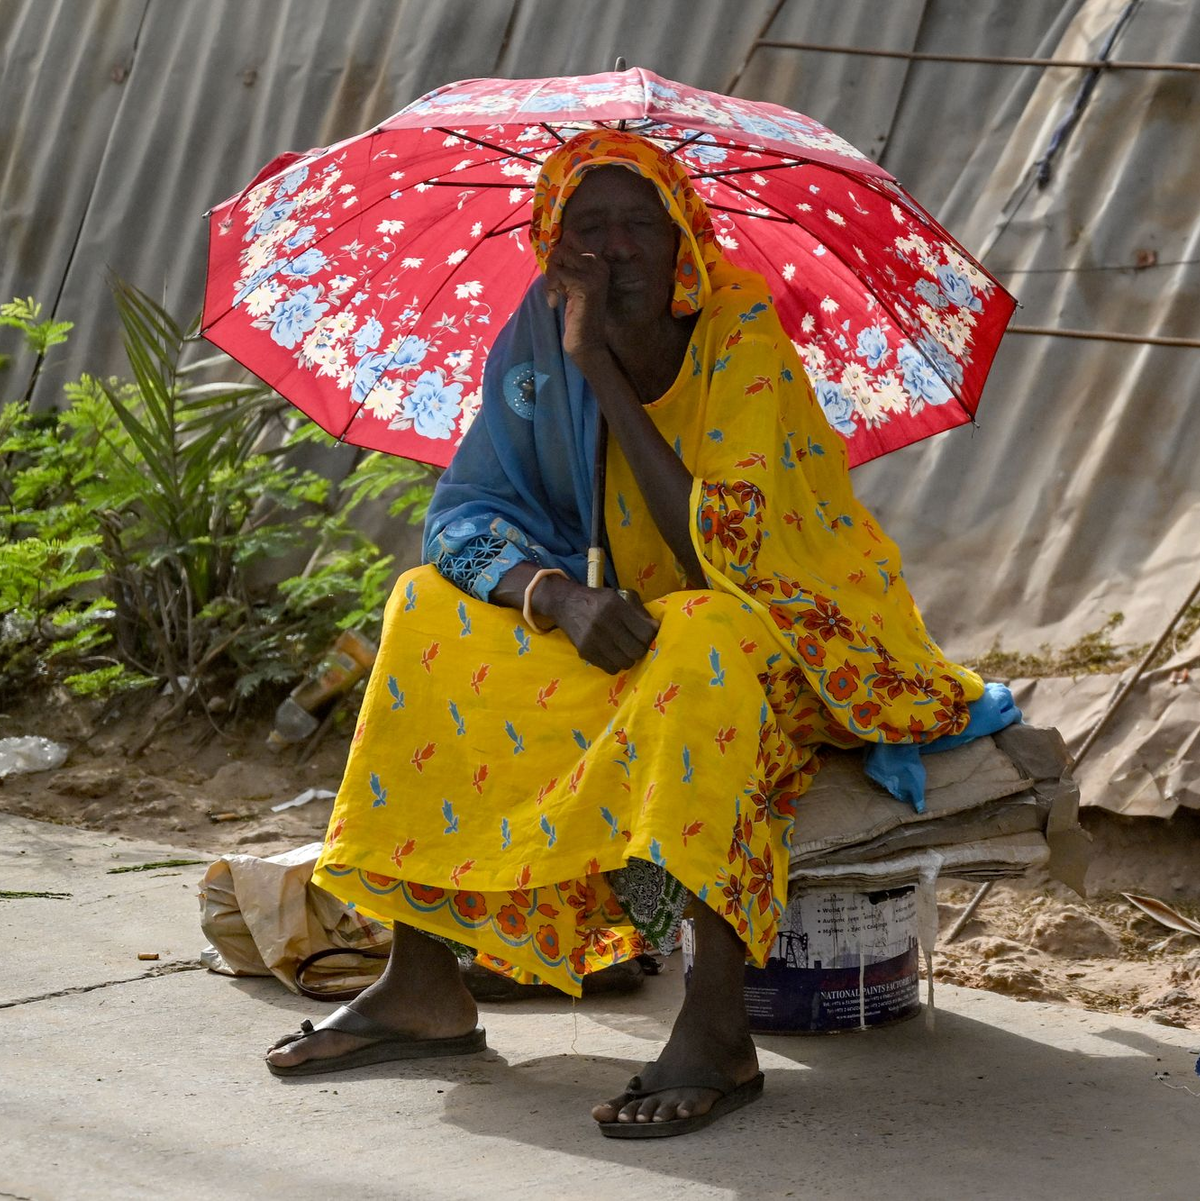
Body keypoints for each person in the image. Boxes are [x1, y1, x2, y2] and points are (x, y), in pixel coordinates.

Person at [266, 129, 985, 1137]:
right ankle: (423, 982)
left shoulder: (740, 332)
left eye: (638, 224)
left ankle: (718, 1025)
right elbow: (466, 513)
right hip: (612, 622)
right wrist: (554, 595)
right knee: (423, 604)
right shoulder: (538, 327)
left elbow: (718, 557)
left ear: (682, 232)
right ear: (555, 244)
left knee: (699, 637)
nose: (614, 251)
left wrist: (601, 366)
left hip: (775, 622)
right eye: (586, 227)